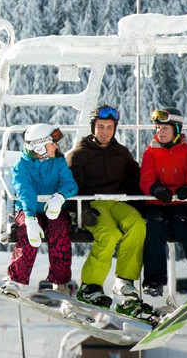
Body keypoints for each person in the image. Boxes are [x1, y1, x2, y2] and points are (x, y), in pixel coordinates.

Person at [66, 105, 157, 322]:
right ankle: (90, 286)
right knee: (109, 234)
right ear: (93, 128)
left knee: (137, 224)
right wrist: (81, 208)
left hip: (118, 202)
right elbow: (70, 187)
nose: (105, 132)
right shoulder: (79, 154)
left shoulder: (121, 153)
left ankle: (124, 281)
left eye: (109, 127)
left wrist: (145, 203)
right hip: (93, 204)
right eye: (101, 127)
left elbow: (135, 179)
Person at [138, 106, 187, 297]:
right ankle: (154, 279)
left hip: (183, 203)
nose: (160, 131)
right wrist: (155, 189)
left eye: (165, 128)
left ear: (176, 129)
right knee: (154, 230)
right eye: (158, 128)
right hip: (158, 203)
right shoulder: (151, 152)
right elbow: (145, 178)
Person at [1, 123, 78, 297]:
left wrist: (59, 197)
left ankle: (60, 282)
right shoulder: (21, 166)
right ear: (39, 147)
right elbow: (25, 192)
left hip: (53, 209)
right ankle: (15, 280)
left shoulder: (58, 162)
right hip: (28, 209)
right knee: (28, 233)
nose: (56, 147)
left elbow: (70, 184)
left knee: (60, 228)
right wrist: (29, 219)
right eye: (52, 144)